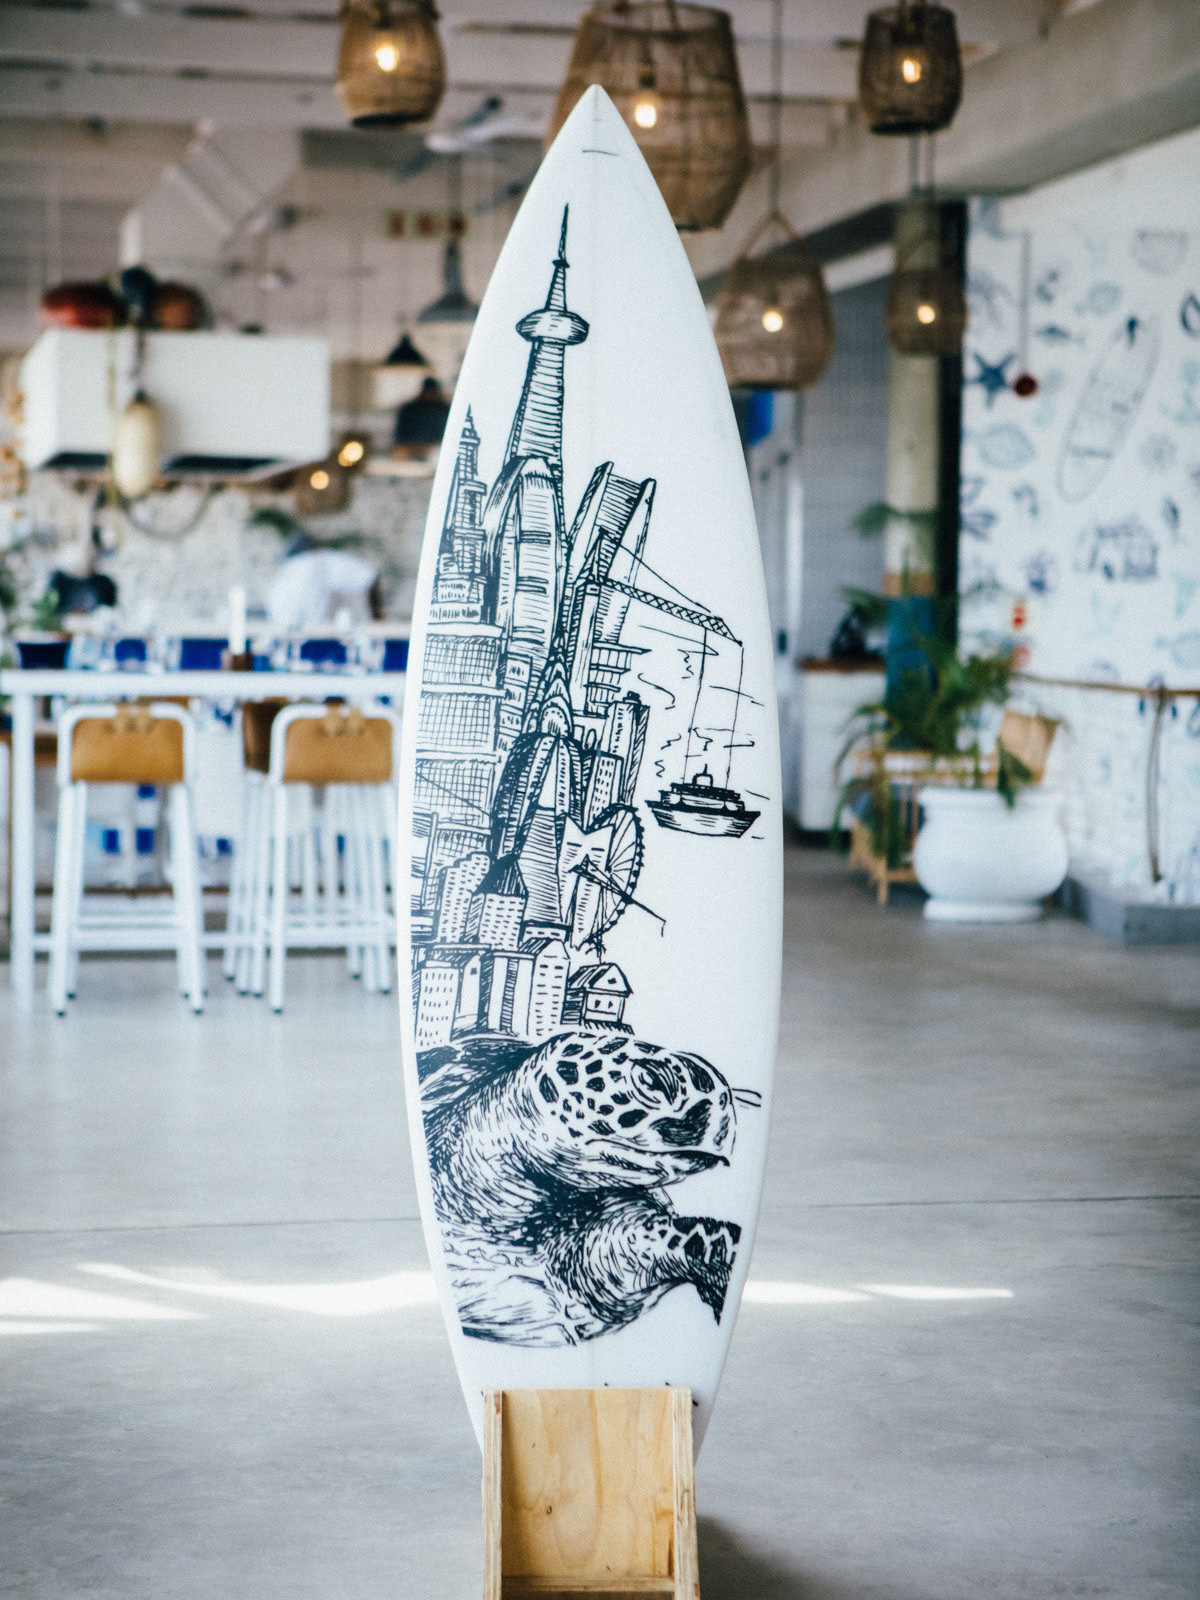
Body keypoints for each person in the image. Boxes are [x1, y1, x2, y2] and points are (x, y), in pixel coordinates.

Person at [265, 547, 379, 632]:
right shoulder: (321, 560)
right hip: (313, 633)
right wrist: (378, 618)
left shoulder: (288, 570)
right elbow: (370, 577)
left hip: (283, 632)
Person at [393, 375, 450, 455]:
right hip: (411, 450)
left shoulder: (445, 410)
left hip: (438, 451)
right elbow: (400, 439)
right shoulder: (409, 410)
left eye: (432, 392)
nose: (429, 395)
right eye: (428, 392)